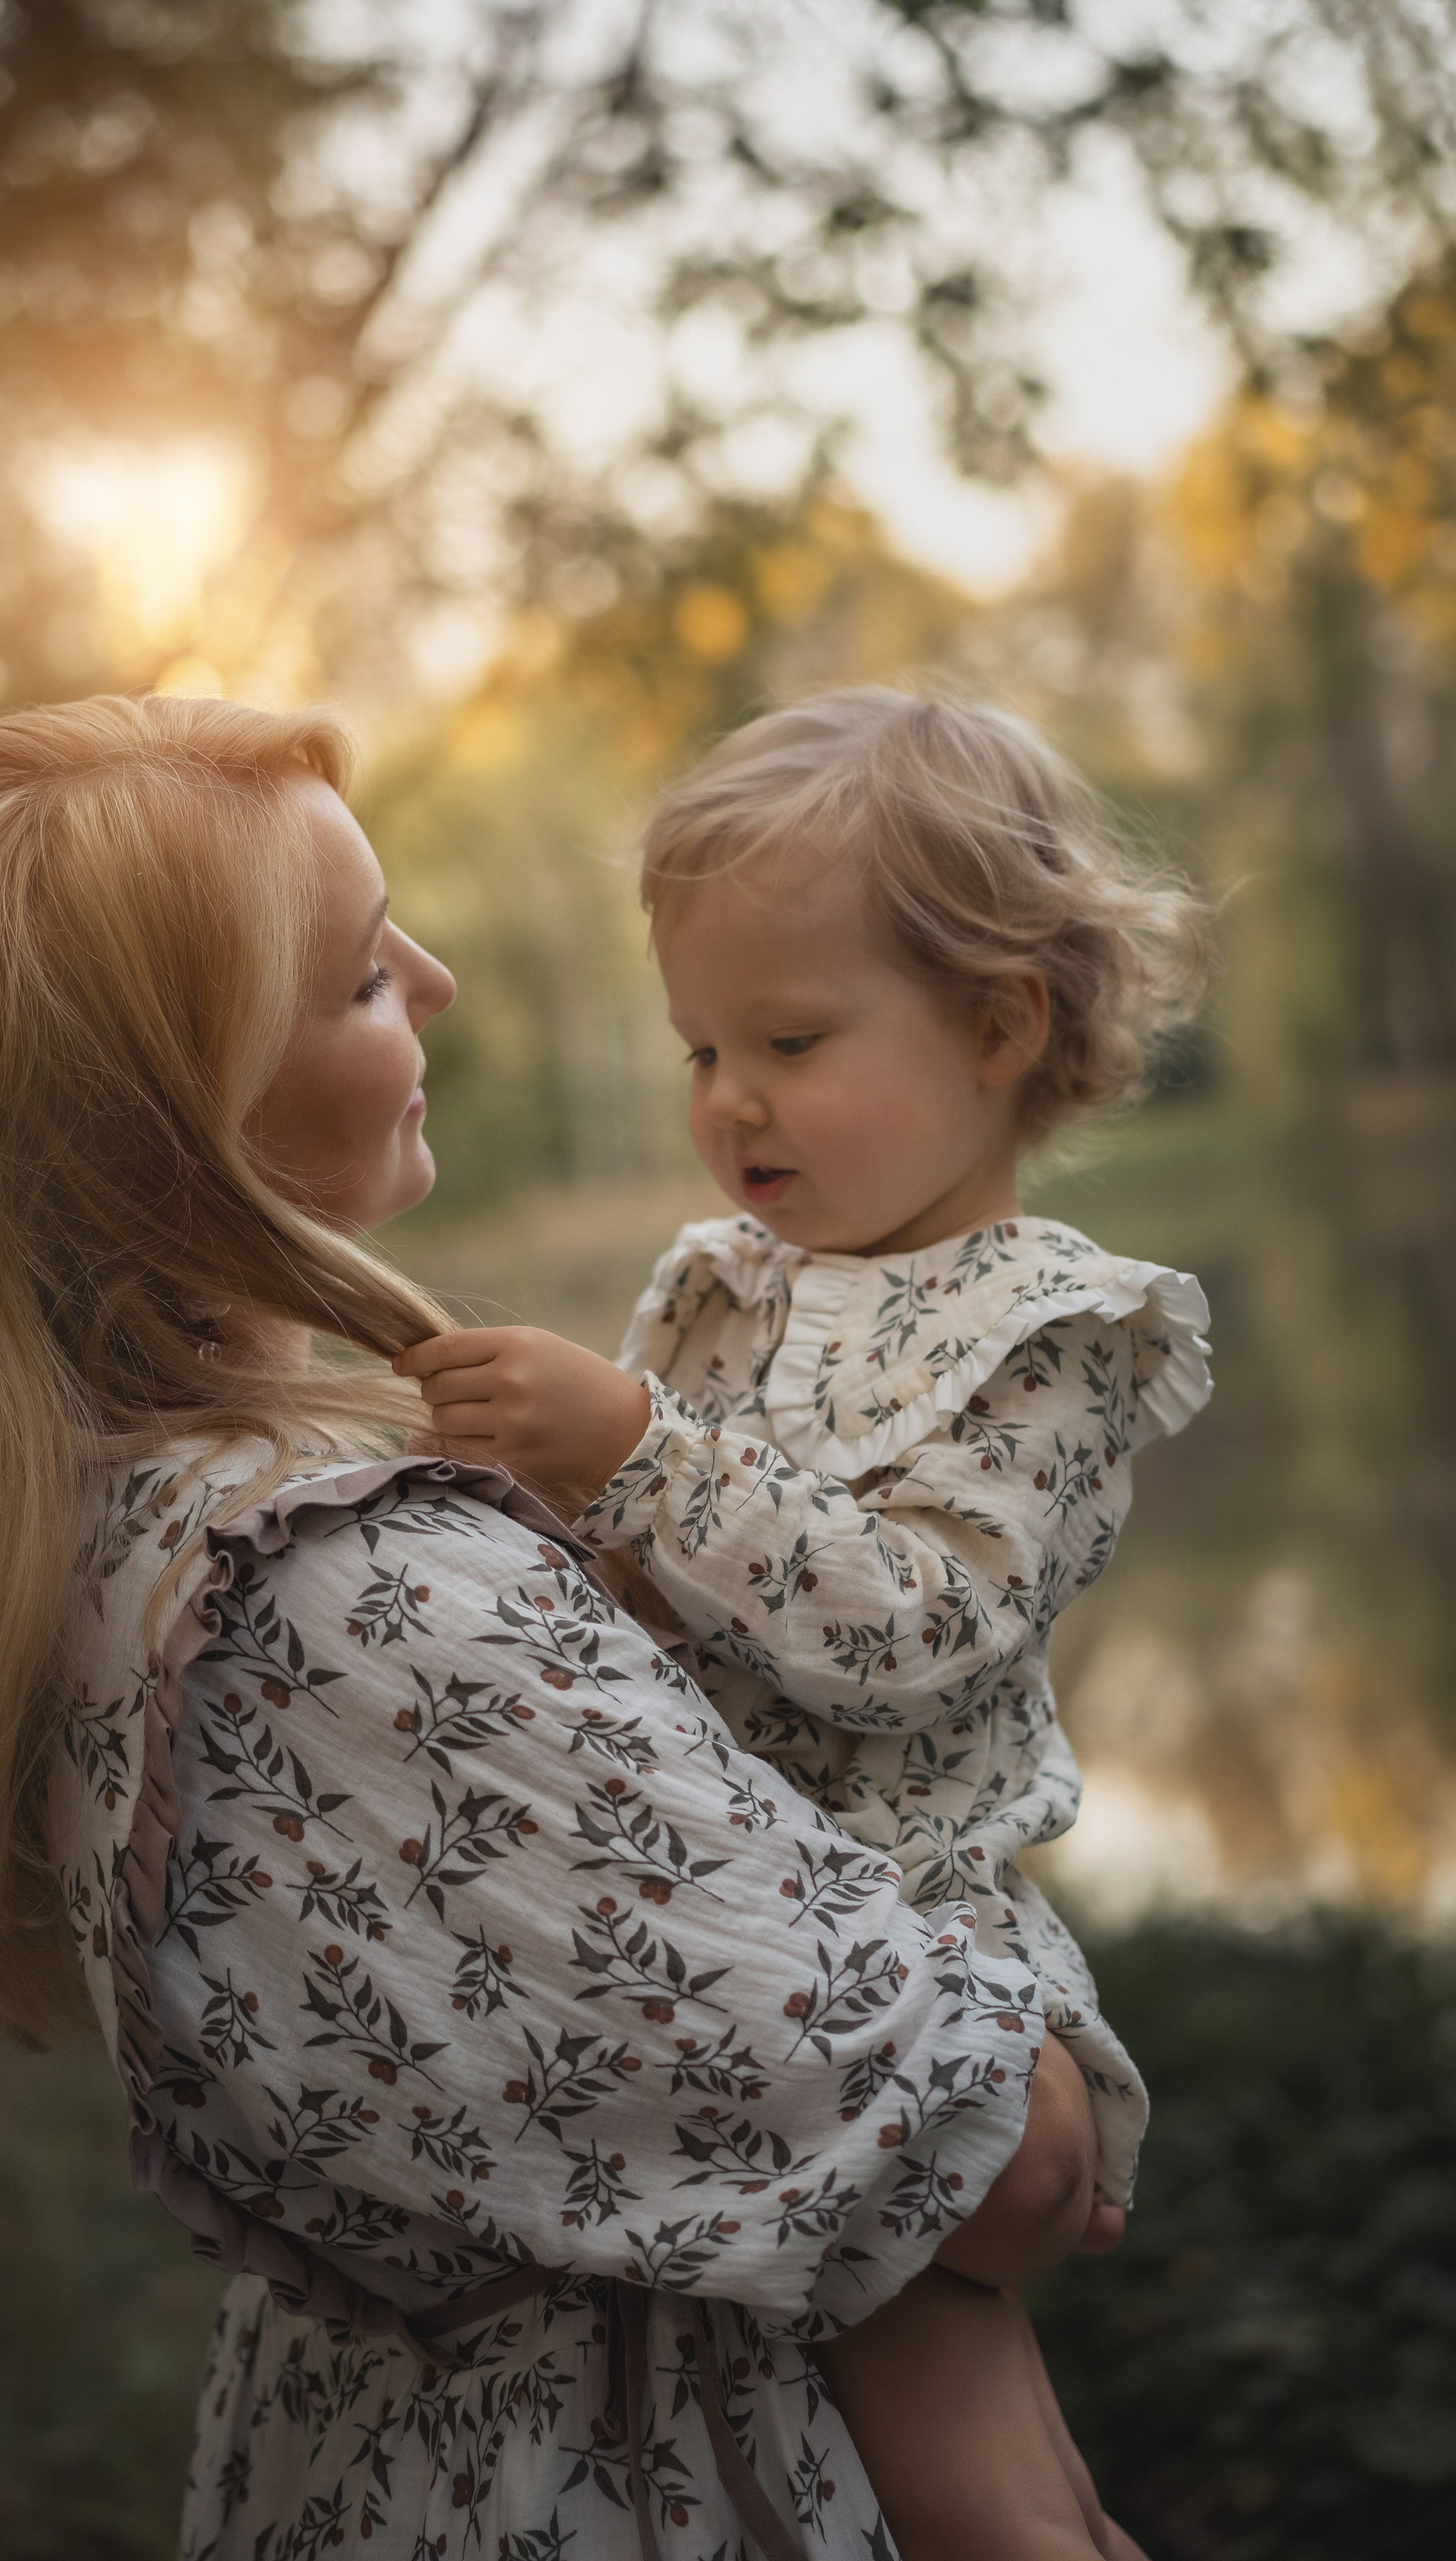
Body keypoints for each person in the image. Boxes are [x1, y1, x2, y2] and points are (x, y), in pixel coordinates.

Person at [0, 691, 1122, 2560]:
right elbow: (1012, 2167)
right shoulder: (352, 1592)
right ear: (177, 1122)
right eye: (366, 980)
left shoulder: (116, 1514)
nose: (443, 984)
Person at [399, 687, 1215, 2558]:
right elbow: (625, 1591)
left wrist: (632, 1458)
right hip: (732, 1930)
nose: (730, 1101)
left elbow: (924, 1626)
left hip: (899, 1949)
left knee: (972, 2494)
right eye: (701, 1047)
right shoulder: (717, 1292)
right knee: (908, 2466)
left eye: (789, 1037)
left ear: (1001, 1026)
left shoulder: (1051, 1336)